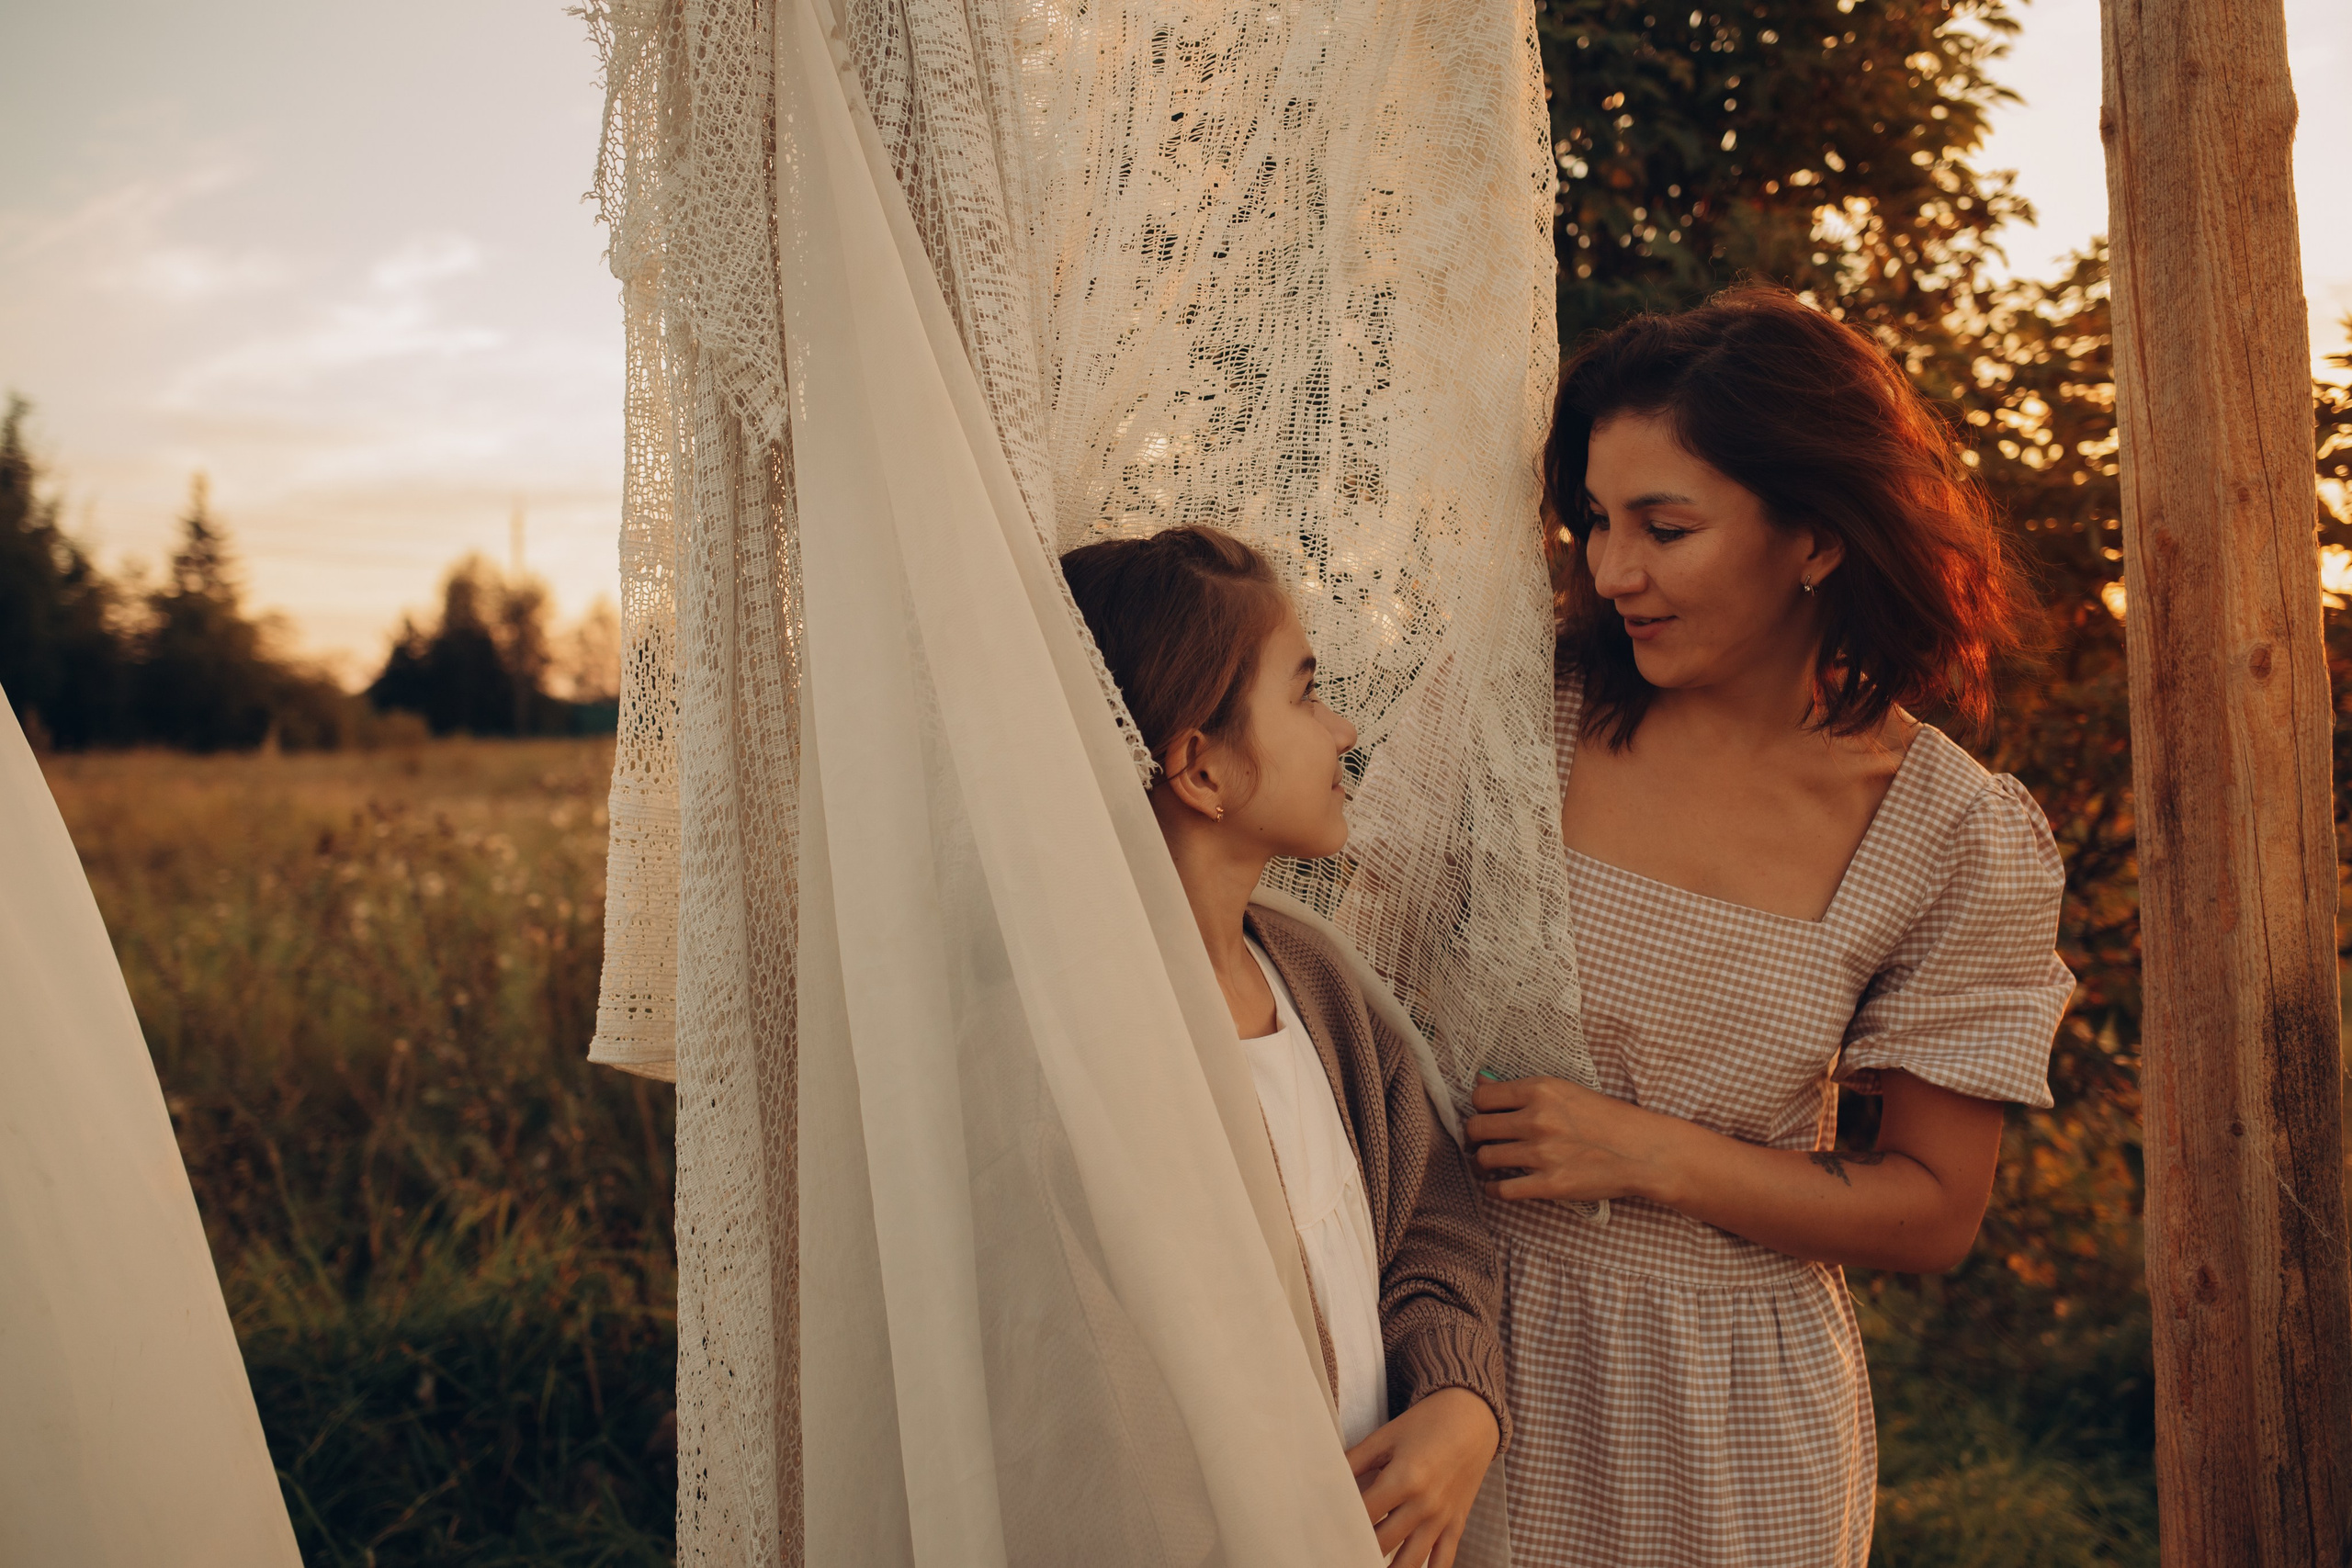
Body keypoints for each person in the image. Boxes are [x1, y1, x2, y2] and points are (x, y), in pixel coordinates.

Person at [1464, 286, 2075, 1565]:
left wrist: (1647, 1152)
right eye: (1595, 520)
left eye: (1665, 527)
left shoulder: (1953, 834)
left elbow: (1931, 1209)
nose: (1612, 570)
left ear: (1816, 538)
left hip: (1726, 1417)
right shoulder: (1523, 712)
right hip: (1452, 1340)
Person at [1061, 526, 1510, 1568]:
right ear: (1200, 769)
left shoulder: (1318, 982)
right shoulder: (1092, 1059)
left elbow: (1431, 1218)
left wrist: (1456, 1396)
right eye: (1306, 695)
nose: (1343, 729)